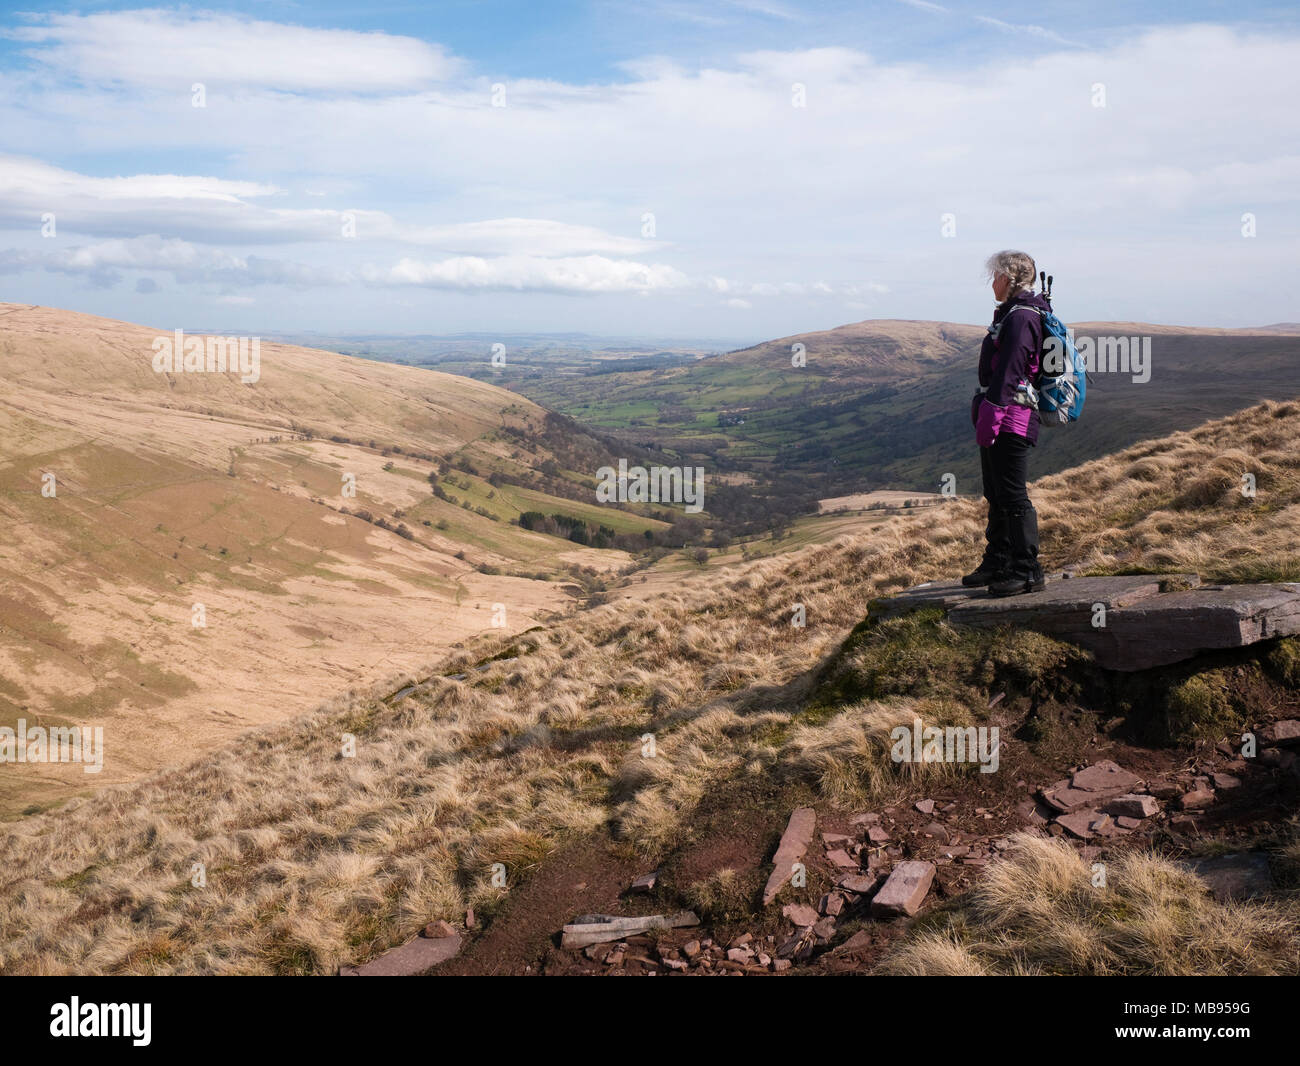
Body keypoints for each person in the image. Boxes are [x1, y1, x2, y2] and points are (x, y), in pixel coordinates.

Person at [962, 250, 1048, 597]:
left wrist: (991, 415)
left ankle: (1027, 570)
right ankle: (999, 559)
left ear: (1010, 278)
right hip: (1001, 413)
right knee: (996, 492)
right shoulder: (1012, 314)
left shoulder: (1021, 317)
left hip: (1012, 416)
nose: (992, 283)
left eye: (995, 276)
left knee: (1013, 495)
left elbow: (1010, 371)